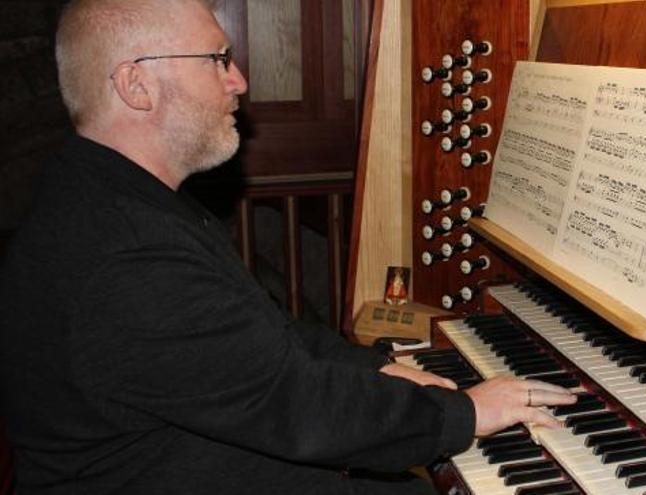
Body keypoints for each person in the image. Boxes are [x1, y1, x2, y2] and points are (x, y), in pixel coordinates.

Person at [0, 1, 576, 494]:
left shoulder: (116, 198)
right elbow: (296, 406)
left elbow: (270, 338)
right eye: (218, 59)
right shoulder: (123, 255)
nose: (239, 81)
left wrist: (381, 365)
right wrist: (468, 412)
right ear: (136, 84)